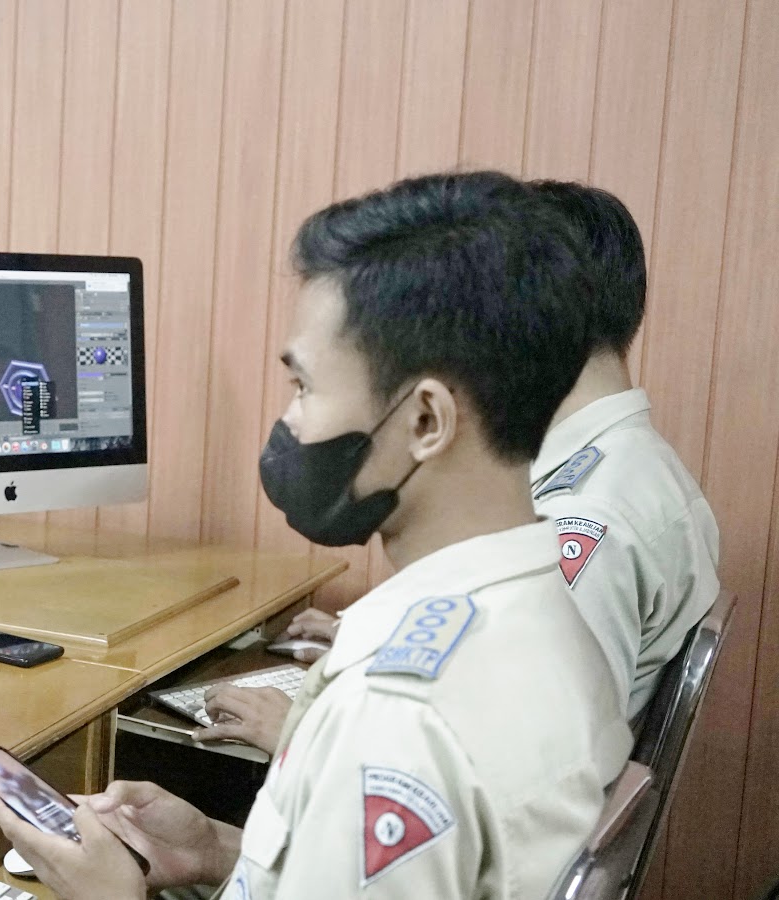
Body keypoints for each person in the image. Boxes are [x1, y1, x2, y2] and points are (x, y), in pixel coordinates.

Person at [0, 171, 632, 899]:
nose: (289, 423)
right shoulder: (549, 605)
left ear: (426, 420)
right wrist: (219, 852)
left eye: (305, 387)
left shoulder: (395, 718)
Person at [200, 180, 720, 745]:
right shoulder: (636, 465)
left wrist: (304, 733)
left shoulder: (586, 518)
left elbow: (521, 750)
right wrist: (382, 639)